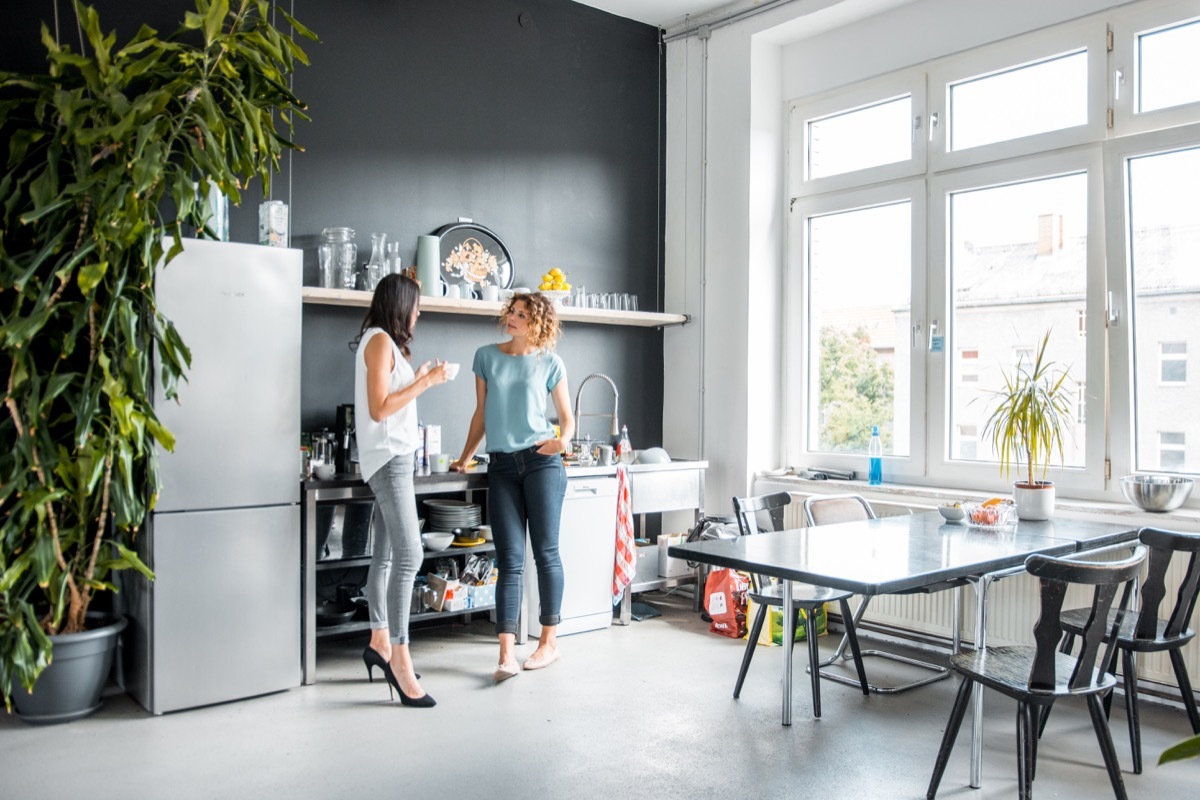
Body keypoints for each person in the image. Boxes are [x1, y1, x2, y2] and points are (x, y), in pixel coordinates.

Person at [451, 293, 574, 682]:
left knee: (546, 553)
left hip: (542, 462)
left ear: (537, 323)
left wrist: (562, 441)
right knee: (509, 559)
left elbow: (567, 418)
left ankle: (548, 642)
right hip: (502, 465)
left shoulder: (550, 362)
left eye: (523, 314)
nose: (513, 318)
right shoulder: (486, 357)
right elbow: (481, 415)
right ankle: (506, 655)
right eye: (512, 311)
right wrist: (465, 457)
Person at [354, 273, 450, 708]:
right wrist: (425, 383)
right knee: (410, 556)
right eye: (415, 305)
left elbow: (391, 398)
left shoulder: (384, 344)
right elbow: (379, 409)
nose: (418, 313)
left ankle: (379, 641)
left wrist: (420, 377)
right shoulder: (378, 342)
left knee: (387, 556)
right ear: (399, 305)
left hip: (394, 458)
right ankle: (400, 659)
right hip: (390, 460)